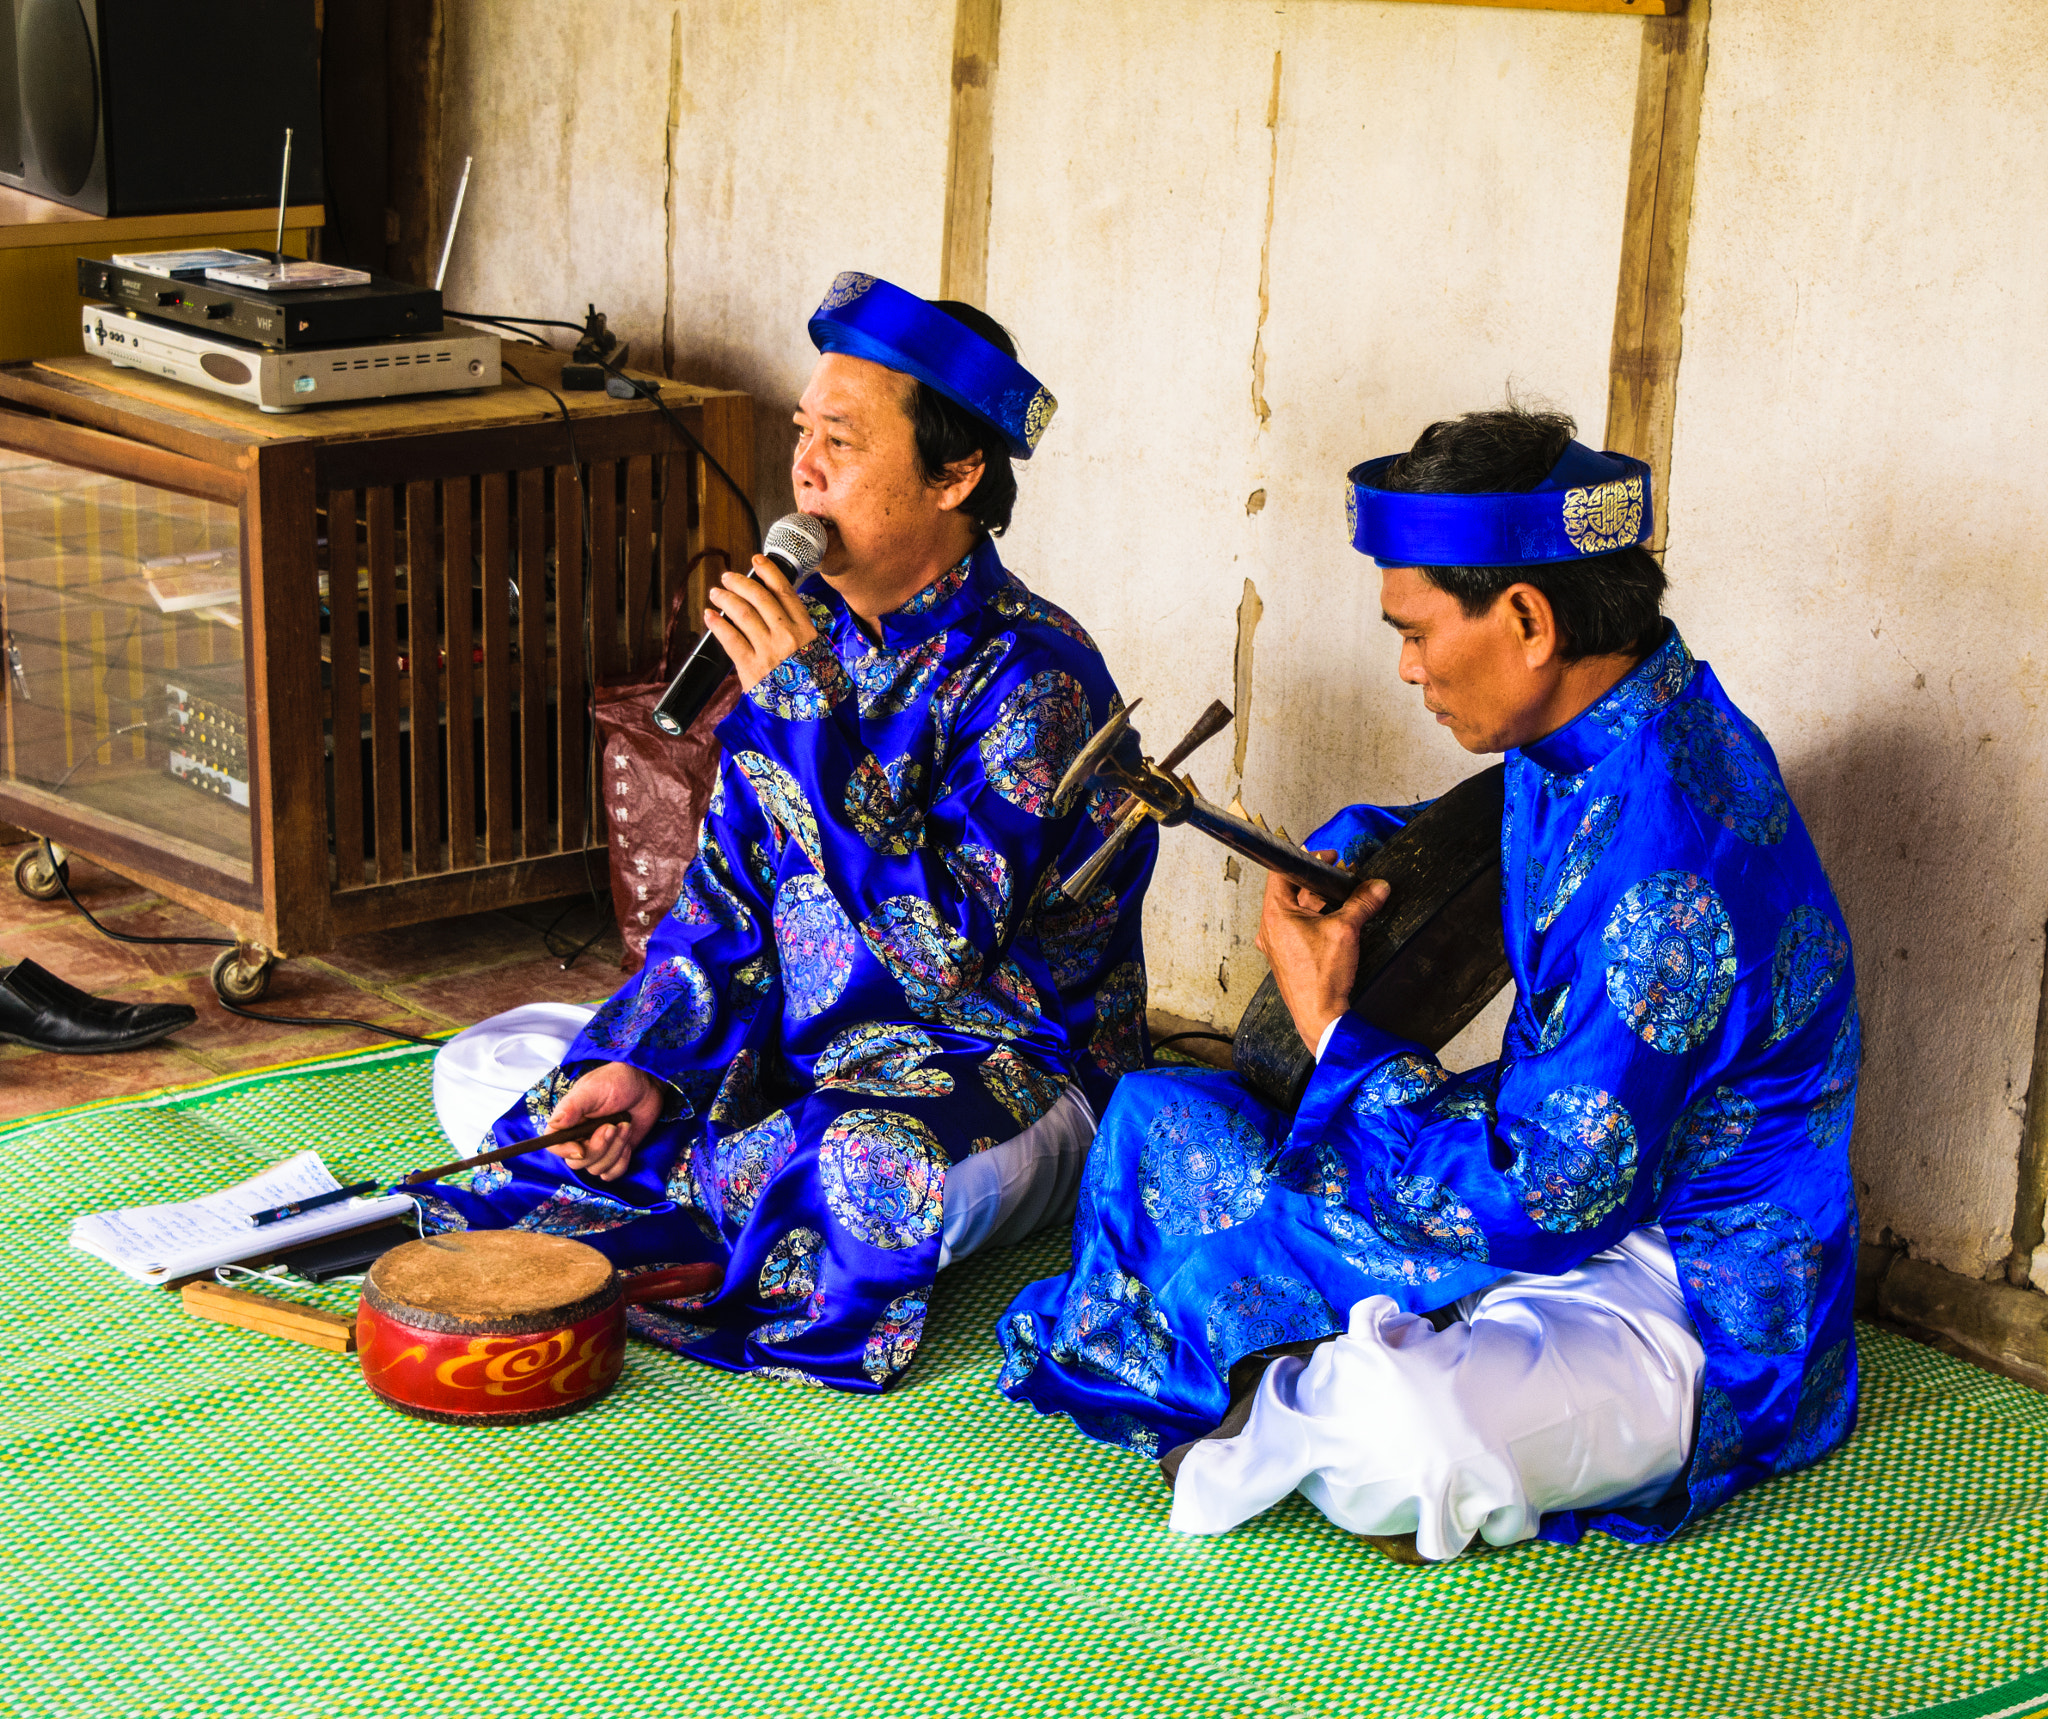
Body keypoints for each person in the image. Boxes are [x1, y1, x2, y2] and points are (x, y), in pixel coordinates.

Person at [996, 404, 1860, 1561]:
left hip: (1673, 1282)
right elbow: (1500, 839)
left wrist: (1325, 1017)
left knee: (1401, 1438)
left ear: (1524, 617)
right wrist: (1356, 859)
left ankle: (1314, 1359)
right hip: (1554, 1193)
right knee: (1157, 1117)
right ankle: (1316, 1344)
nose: (1404, 669)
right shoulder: (1612, 722)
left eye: (1415, 632)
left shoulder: (1668, 867)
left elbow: (1547, 1202)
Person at [419, 273, 1155, 1392]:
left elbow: (939, 954)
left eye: (843, 444)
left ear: (956, 476)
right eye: (802, 433)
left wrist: (807, 718)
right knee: (526, 1086)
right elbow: (722, 901)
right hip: (807, 1049)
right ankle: (700, 1191)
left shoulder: (1031, 679)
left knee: (861, 1170)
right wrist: (645, 1059)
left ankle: (699, 1216)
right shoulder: (806, 650)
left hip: (997, 1069)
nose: (803, 470)